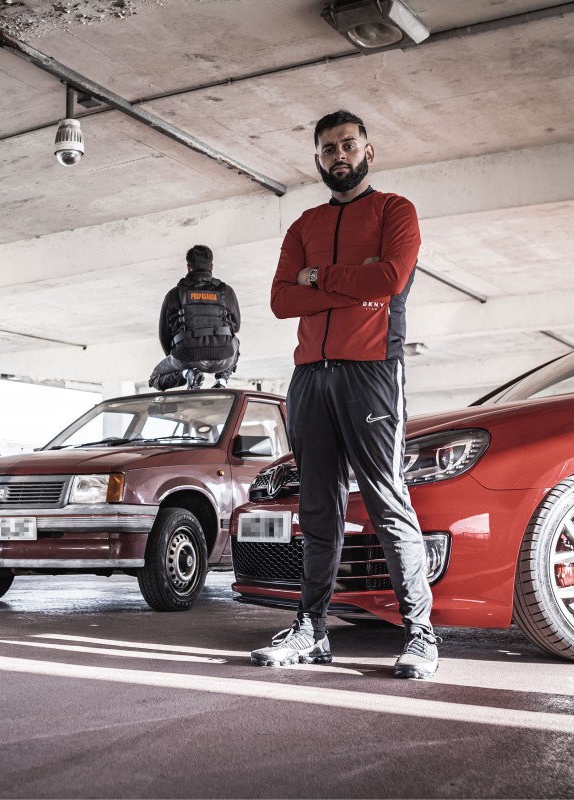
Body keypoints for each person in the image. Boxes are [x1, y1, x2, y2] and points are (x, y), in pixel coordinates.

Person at [250, 110, 440, 678]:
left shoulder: (394, 211)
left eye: (349, 145)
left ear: (368, 152)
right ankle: (311, 630)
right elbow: (283, 301)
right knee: (317, 507)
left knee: (386, 500)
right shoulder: (303, 223)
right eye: (329, 147)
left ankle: (421, 633)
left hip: (372, 370)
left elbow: (389, 280)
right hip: (309, 375)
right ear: (317, 158)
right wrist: (345, 278)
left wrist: (318, 278)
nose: (340, 155)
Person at [148, 245, 241, 391]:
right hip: (223, 359)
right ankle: (221, 381)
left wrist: (178, 359)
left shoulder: (174, 294)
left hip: (186, 357)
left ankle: (187, 374)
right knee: (234, 341)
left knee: (154, 379)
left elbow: (164, 335)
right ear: (211, 267)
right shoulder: (226, 291)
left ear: (188, 267)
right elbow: (236, 327)